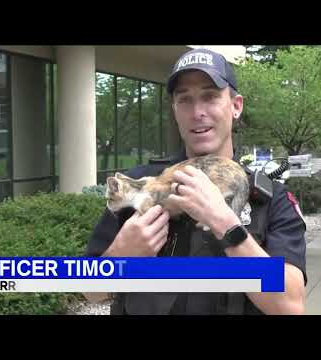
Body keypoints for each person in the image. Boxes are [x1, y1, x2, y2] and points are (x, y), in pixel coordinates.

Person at [84, 48, 307, 315]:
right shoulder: (137, 185)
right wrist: (123, 253)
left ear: (236, 106)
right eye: (185, 100)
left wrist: (228, 227)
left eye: (210, 96)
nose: (197, 111)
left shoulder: (270, 199)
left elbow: (291, 306)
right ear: (175, 110)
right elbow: (89, 290)